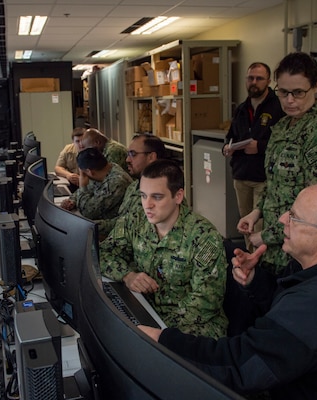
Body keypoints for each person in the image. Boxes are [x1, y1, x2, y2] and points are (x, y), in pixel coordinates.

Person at [139, 184, 317, 400]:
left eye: (294, 216)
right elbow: (286, 314)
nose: (282, 219)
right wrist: (255, 281)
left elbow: (239, 367)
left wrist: (163, 340)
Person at [237, 52, 317, 275]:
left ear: (316, 87)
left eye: (298, 92)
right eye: (283, 92)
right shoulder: (283, 126)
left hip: (303, 257)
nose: (289, 100)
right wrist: (257, 212)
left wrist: (264, 236)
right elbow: (276, 183)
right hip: (276, 252)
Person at [101, 159, 228, 339]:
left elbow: (206, 302)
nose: (147, 204)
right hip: (146, 312)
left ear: (178, 196)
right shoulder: (135, 220)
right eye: (143, 195)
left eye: (157, 197)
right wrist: (127, 275)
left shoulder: (203, 236)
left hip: (193, 328)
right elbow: (103, 253)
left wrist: (157, 328)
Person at [222, 62, 285, 251]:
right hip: (241, 175)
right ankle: (250, 258)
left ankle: (259, 261)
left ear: (268, 81)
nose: (254, 82)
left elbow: (284, 144)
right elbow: (231, 135)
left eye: (259, 78)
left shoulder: (278, 108)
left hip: (263, 177)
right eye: (250, 78)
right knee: (245, 223)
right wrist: (227, 147)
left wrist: (260, 147)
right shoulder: (242, 109)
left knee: (259, 226)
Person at [98, 133, 167, 236]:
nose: (127, 160)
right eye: (128, 154)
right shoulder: (133, 186)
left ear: (151, 157)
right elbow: (122, 222)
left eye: (133, 154)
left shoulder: (164, 194)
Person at [60, 147, 132, 237]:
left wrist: (82, 186)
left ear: (89, 171)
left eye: (83, 173)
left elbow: (87, 212)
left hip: (114, 229)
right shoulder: (104, 170)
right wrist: (72, 200)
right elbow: (89, 189)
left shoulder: (116, 182)